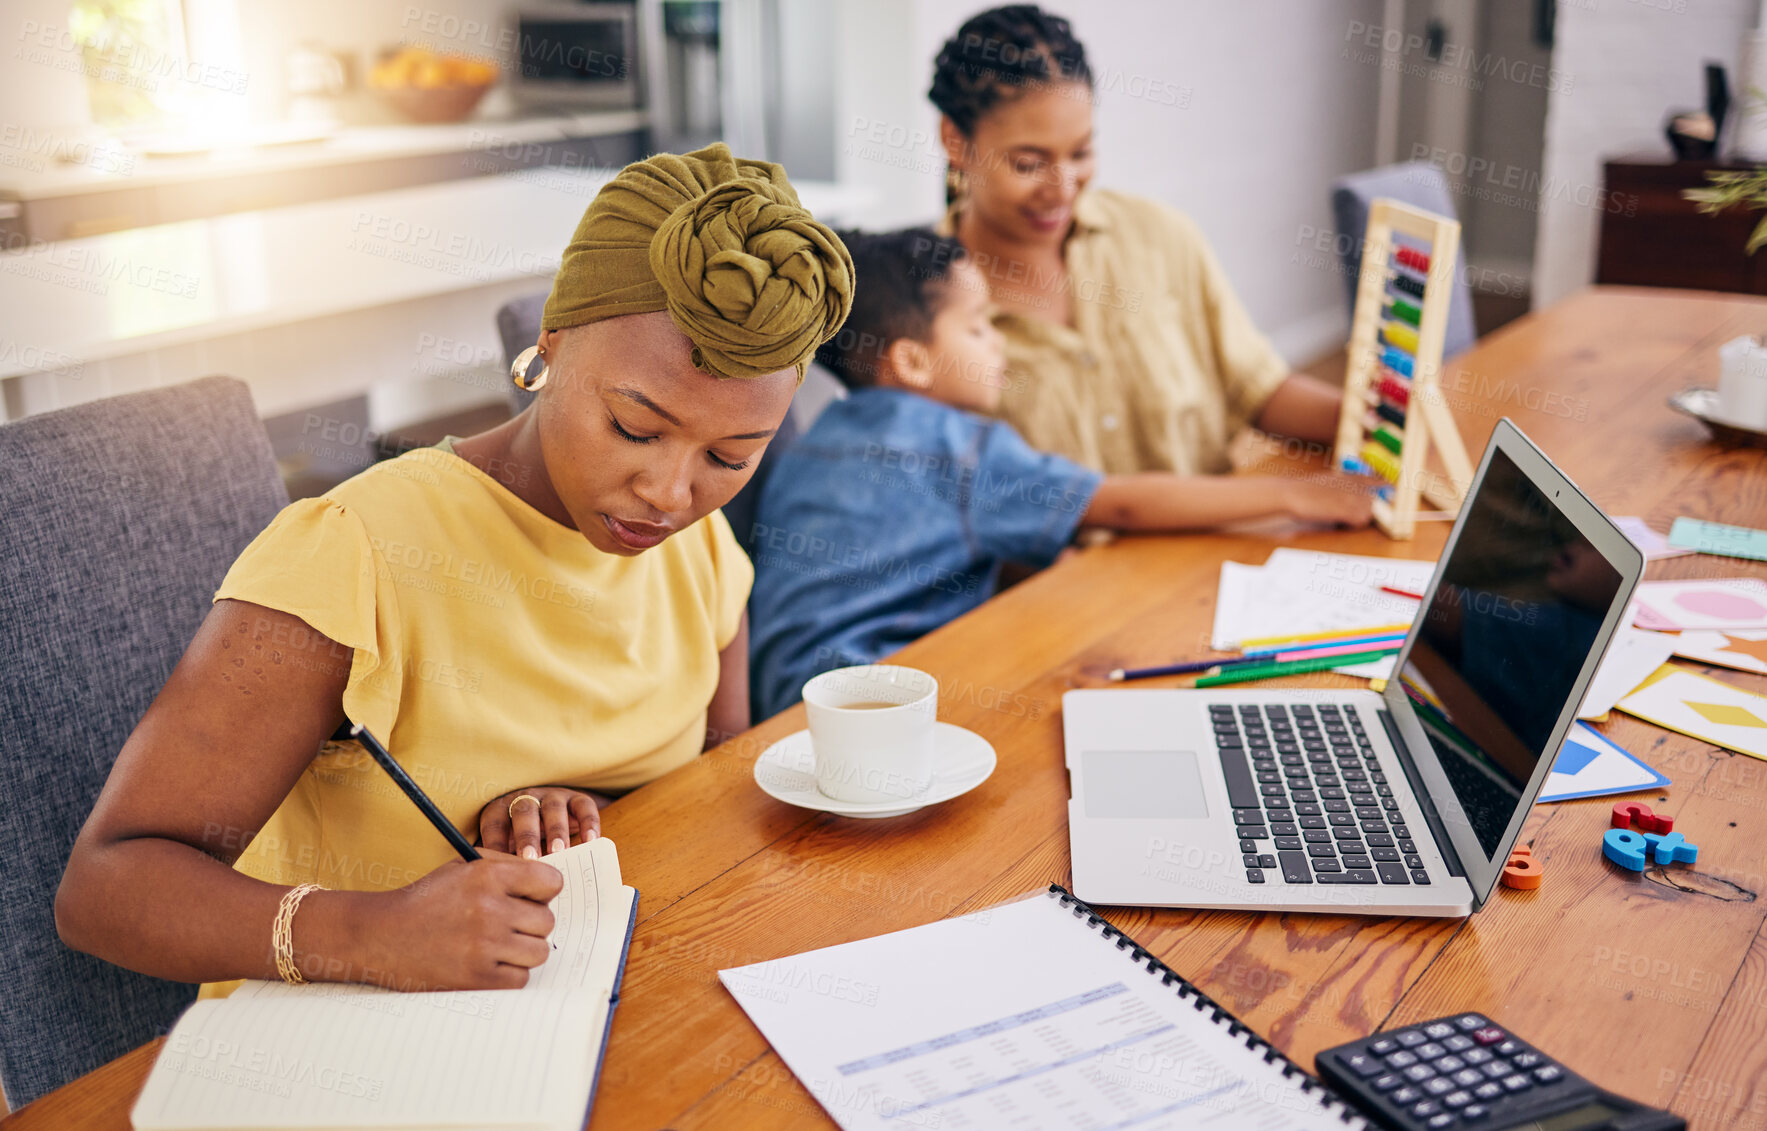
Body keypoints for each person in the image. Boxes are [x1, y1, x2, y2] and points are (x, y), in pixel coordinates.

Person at [54, 144, 853, 993]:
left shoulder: (697, 546)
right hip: (356, 1046)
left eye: (729, 456)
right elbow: (105, 887)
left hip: (616, 999)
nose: (667, 492)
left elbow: (709, 794)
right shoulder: (354, 551)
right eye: (632, 428)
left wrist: (580, 814)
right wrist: (372, 934)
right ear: (551, 342)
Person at [748, 229, 1371, 717]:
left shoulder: (824, 432)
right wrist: (1299, 492)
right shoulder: (958, 446)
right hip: (871, 709)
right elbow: (1119, 505)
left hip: (781, 703)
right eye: (977, 327)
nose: (999, 345)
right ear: (910, 361)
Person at [929, 5, 1363, 505]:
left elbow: (1257, 389)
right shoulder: (929, 308)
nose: (1063, 187)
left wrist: (1375, 422)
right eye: (1029, 163)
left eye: (1080, 153)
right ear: (955, 142)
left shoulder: (1158, 236)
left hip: (1219, 555)